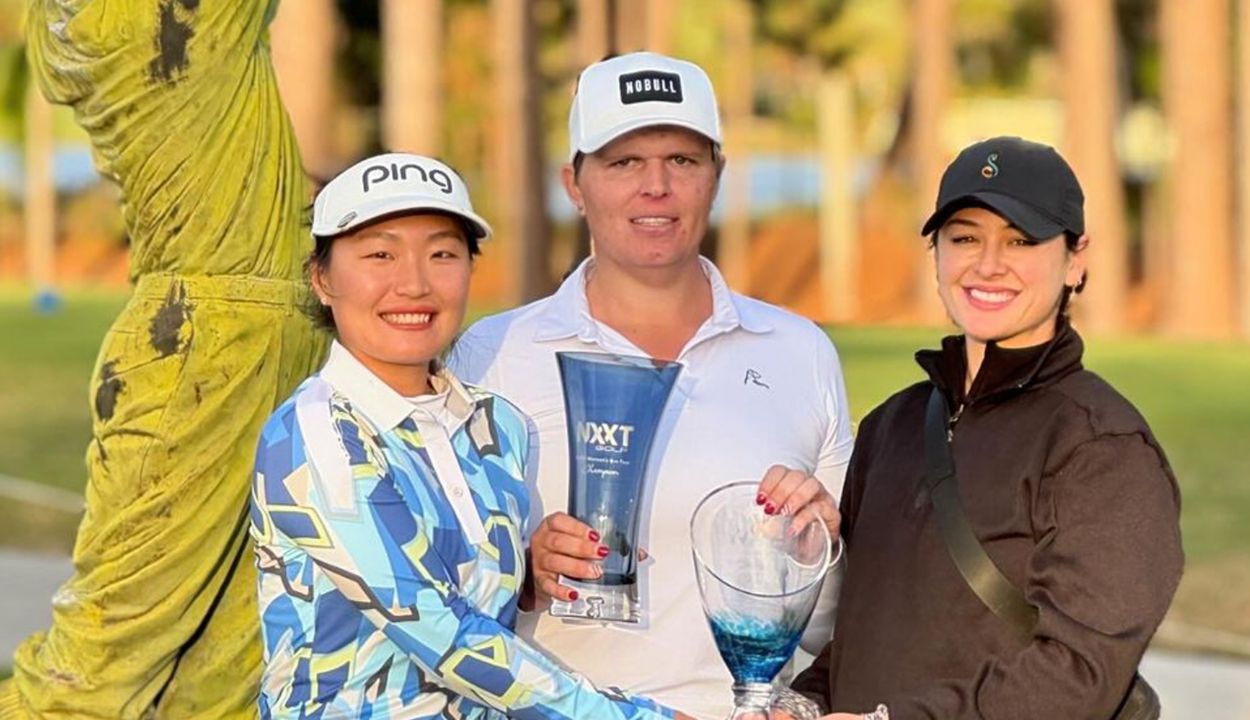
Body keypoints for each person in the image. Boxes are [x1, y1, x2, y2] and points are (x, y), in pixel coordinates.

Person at [449, 51, 852, 719]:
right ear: (574, 184)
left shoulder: (798, 352)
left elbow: (827, 626)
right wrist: (524, 573)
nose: (656, 187)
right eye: (623, 162)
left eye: (683, 161)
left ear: (716, 178)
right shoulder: (493, 355)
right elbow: (435, 596)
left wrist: (814, 554)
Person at [250, 152, 691, 719]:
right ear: (322, 278)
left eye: (442, 253)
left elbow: (475, 602)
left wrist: (530, 573)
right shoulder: (314, 437)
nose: (413, 283)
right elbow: (441, 633)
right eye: (380, 254)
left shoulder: (496, 425)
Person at [2, 1, 327, 717]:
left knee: (228, 678)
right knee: (98, 668)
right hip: (203, 341)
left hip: (237, 329)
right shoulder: (168, 14)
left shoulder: (71, 23)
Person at [791, 136, 1184, 719]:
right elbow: (858, 642)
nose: (988, 263)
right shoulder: (889, 428)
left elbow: (1079, 674)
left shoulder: (1101, 447)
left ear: (1076, 259)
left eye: (1020, 240)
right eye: (965, 237)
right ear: (937, 255)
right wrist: (800, 706)